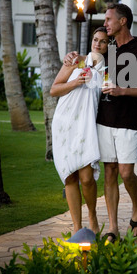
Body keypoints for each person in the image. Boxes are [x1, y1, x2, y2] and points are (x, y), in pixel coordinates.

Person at [64, 3, 137, 242]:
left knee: (126, 173)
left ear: (123, 21)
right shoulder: (108, 49)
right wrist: (71, 58)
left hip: (129, 120)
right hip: (104, 120)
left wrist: (122, 91)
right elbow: (87, 59)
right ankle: (113, 229)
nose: (105, 23)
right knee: (110, 173)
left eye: (108, 20)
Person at [50, 27, 109, 234]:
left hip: (86, 126)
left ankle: (92, 215)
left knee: (86, 177)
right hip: (64, 124)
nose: (98, 44)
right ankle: (77, 228)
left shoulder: (107, 71)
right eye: (95, 39)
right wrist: (76, 82)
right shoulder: (76, 61)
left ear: (108, 45)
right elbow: (54, 89)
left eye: (103, 41)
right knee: (70, 177)